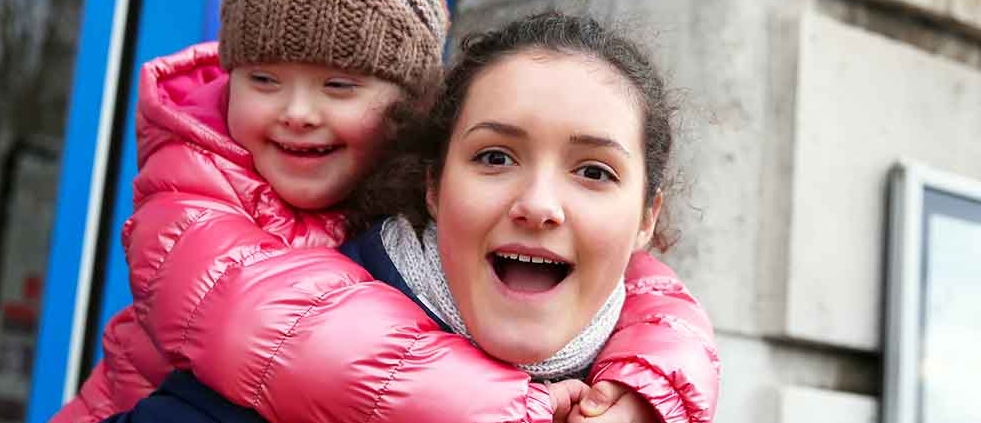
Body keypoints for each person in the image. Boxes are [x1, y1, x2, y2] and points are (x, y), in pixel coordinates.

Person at [76, 9, 720, 423]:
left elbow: (663, 310)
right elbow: (271, 325)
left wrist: (650, 391)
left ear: (645, 220)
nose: (540, 205)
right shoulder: (204, 211)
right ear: (433, 184)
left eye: (594, 171)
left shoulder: (619, 380)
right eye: (496, 156)